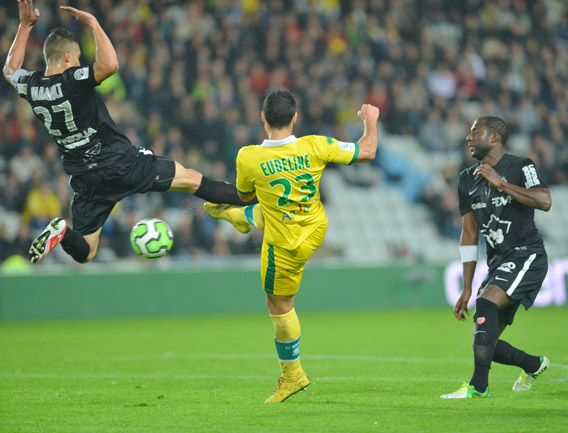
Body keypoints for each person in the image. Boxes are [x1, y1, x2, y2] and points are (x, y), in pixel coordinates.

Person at [3, 1, 247, 265]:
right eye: (77, 57)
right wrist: (94, 24)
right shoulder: (72, 80)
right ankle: (252, 200)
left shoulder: (32, 86)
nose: (78, 62)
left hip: (86, 178)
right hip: (121, 163)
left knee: (86, 250)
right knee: (193, 179)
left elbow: (10, 70)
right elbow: (110, 65)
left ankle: (62, 232)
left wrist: (24, 26)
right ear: (67, 57)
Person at [205, 89, 379, 402]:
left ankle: (292, 375)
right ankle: (240, 218)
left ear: (263, 117)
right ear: (295, 117)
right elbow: (367, 151)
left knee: (279, 306)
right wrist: (371, 120)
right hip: (315, 227)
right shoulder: (317, 145)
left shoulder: (248, 156)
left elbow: (244, 194)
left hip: (284, 245)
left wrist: (240, 199)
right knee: (272, 209)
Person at [441, 116, 551, 399]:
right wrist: (466, 287)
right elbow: (469, 233)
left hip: (527, 254)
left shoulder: (521, 166)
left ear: (494, 137)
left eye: (475, 132)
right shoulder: (466, 179)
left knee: (486, 303)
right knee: (485, 339)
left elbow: (544, 201)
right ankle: (533, 364)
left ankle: (478, 387)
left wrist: (501, 184)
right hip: (498, 262)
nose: (468, 137)